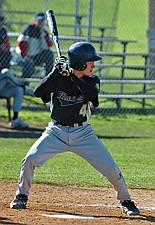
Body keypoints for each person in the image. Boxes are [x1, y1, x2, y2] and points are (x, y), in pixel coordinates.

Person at [10, 42, 140, 215]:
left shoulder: (92, 80)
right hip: (55, 132)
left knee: (110, 167)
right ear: (80, 64)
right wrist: (55, 72)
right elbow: (38, 92)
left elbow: (92, 96)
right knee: (29, 160)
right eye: (90, 62)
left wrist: (71, 75)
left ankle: (126, 201)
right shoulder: (59, 77)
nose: (93, 65)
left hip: (83, 134)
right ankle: (21, 196)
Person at [16, 12, 54, 78]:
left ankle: (48, 78)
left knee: (49, 54)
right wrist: (25, 56)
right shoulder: (29, 29)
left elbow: (48, 45)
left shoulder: (44, 32)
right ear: (34, 20)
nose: (40, 22)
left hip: (37, 57)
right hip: (25, 56)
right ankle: (25, 83)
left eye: (42, 21)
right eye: (39, 20)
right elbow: (21, 43)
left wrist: (42, 34)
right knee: (29, 65)